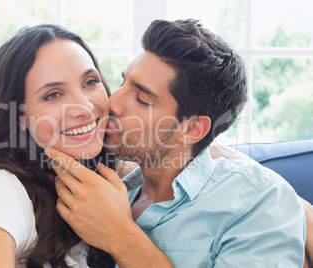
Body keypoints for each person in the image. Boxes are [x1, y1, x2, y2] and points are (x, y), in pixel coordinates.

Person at [46, 19, 307, 267]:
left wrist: (120, 237)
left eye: (142, 99)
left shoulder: (257, 202)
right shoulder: (107, 192)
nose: (111, 103)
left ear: (193, 128)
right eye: (122, 82)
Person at [0, 24, 117, 267]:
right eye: (53, 95)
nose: (86, 107)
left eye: (90, 82)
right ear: (20, 117)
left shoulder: (114, 185)